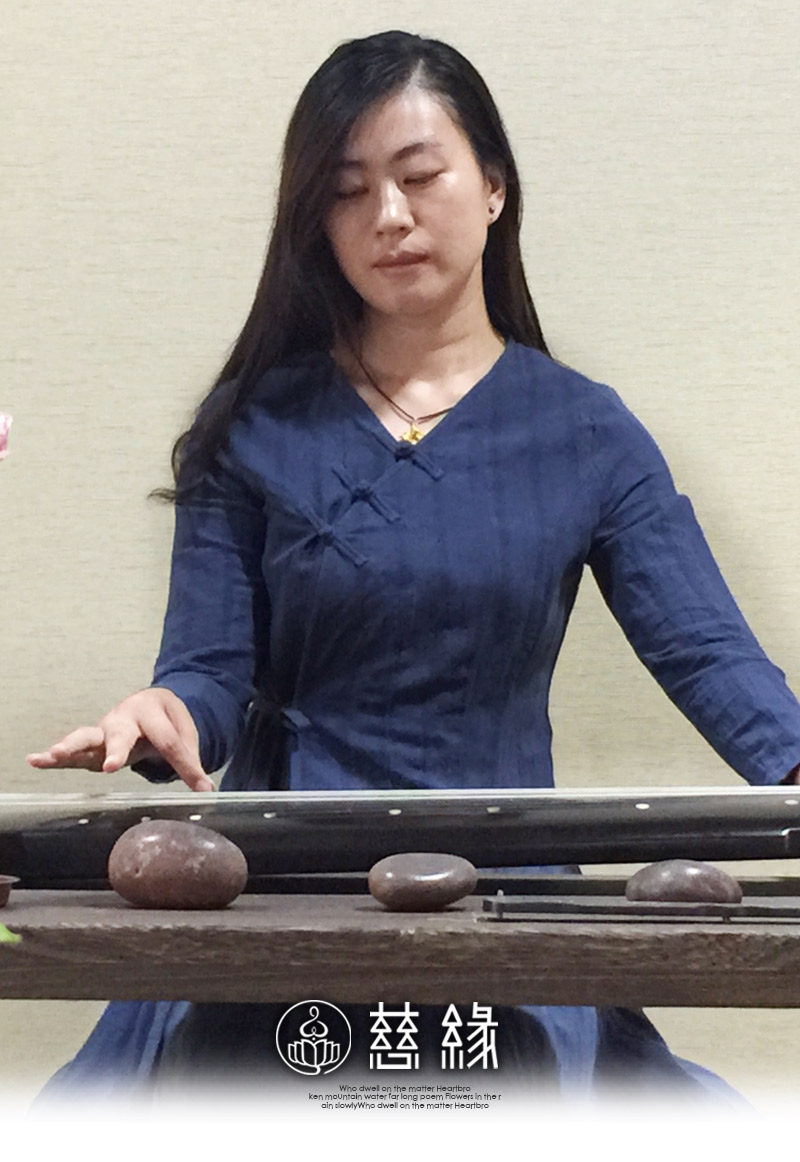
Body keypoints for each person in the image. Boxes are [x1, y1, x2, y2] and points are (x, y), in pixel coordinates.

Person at [28, 29, 800, 1100]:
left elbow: (709, 656)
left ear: (493, 187)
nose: (387, 216)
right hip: (282, 876)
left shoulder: (586, 431)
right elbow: (205, 676)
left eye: (418, 176)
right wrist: (164, 716)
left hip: (502, 880)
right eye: (347, 192)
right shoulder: (251, 424)